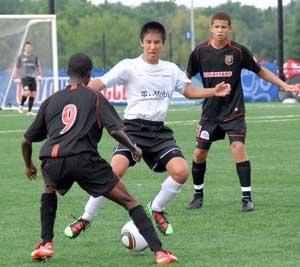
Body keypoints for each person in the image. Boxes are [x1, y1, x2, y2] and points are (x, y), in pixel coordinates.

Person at [64, 21, 231, 238]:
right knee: (112, 173)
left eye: (157, 43)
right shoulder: (129, 66)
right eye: (148, 42)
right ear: (141, 43)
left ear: (162, 44)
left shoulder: (171, 70)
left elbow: (189, 91)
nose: (153, 47)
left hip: (158, 132)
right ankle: (86, 218)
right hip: (132, 130)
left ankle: (157, 208)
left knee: (181, 171)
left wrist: (213, 91)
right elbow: (100, 83)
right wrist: (75, 93)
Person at [21, 53, 178, 265]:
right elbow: (115, 131)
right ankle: (160, 252)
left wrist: (29, 164)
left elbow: (26, 140)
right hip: (84, 159)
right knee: (129, 200)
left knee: (49, 189)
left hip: (53, 159)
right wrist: (134, 147)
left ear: (68, 74)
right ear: (89, 75)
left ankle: (46, 244)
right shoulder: (95, 97)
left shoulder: (51, 100)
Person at [185, 12, 300, 212]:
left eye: (223, 27)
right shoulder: (199, 52)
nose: (220, 30)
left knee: (238, 148)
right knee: (199, 154)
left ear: (229, 29)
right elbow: (185, 77)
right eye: (216, 27)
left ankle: (246, 199)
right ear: (211, 28)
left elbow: (260, 71)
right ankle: (197, 195)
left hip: (234, 111)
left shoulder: (238, 51)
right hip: (209, 113)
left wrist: (285, 85)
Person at [14, 41, 42, 115]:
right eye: (27, 47)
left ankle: (29, 111)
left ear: (31, 48)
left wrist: (39, 75)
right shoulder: (20, 57)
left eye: (29, 47)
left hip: (33, 78)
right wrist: (15, 77)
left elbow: (39, 66)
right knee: (27, 92)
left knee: (33, 94)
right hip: (24, 78)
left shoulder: (35, 57)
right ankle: (20, 106)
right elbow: (16, 67)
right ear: (24, 48)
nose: (28, 48)